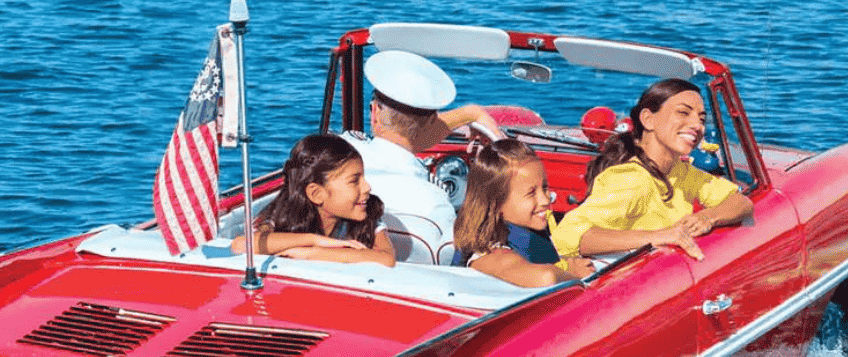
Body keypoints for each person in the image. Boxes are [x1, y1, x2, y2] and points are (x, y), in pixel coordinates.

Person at [553, 78, 754, 261]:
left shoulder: (680, 171)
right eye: (683, 112)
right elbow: (567, 236)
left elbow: (740, 202)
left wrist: (708, 217)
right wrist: (662, 235)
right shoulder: (631, 179)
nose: (697, 125)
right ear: (648, 119)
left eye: (701, 119)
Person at [341, 50, 504, 262]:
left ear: (374, 114)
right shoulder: (436, 203)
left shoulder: (341, 152)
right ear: (430, 124)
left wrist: (469, 114)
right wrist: (473, 115)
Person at [230, 134, 396, 267]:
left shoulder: (367, 212)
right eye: (354, 181)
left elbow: (387, 259)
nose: (367, 187)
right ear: (316, 194)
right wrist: (313, 240)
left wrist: (313, 253)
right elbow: (241, 245)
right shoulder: (279, 215)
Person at [453, 139, 594, 288]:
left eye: (544, 188)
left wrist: (565, 263)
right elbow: (546, 277)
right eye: (531, 193)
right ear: (497, 203)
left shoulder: (525, 233)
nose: (545, 199)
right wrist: (570, 272)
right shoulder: (488, 255)